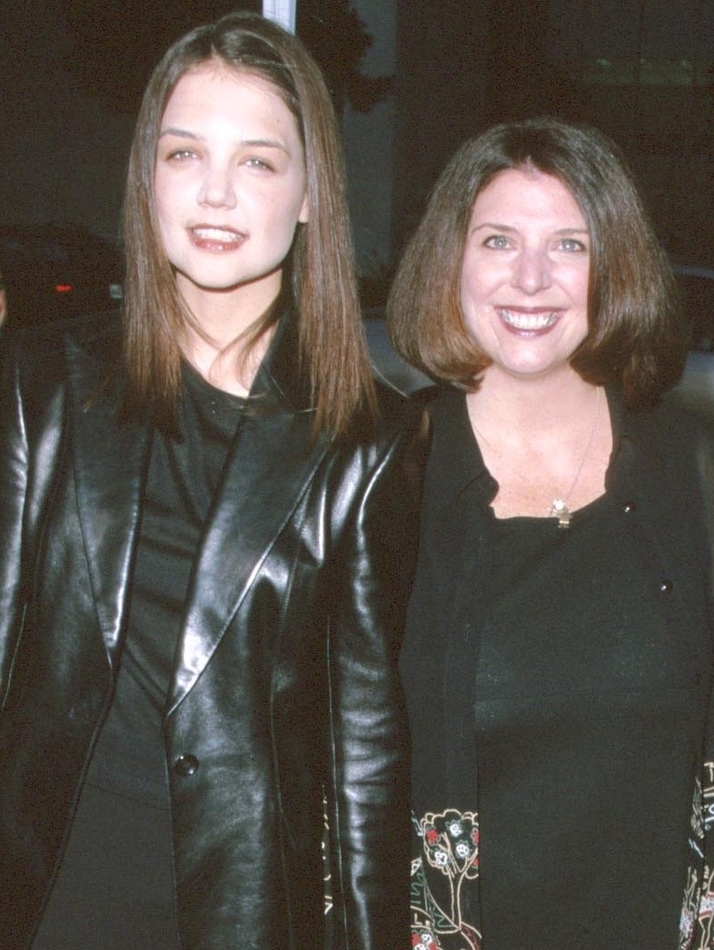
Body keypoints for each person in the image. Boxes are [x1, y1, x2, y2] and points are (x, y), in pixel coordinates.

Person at [0, 13, 426, 950]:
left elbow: (365, 745)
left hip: (237, 901)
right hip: (48, 877)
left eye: (260, 162)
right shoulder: (44, 380)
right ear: (146, 177)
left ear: (312, 192)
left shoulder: (367, 440)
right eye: (184, 153)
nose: (217, 193)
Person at [387, 117, 714, 949]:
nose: (531, 278)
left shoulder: (704, 481)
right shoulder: (384, 487)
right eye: (498, 240)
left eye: (570, 245)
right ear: (451, 264)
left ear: (615, 269)